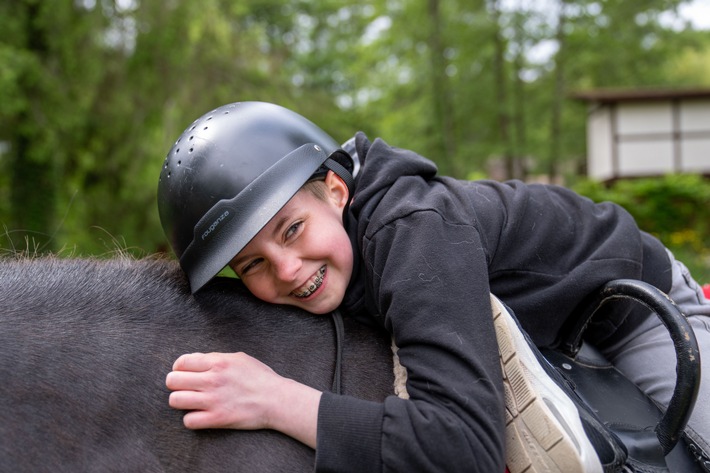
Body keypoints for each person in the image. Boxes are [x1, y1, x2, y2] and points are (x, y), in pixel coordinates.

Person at [158, 101, 710, 472]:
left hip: (631, 307)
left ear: (334, 191)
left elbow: (465, 445)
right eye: (252, 264)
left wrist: (277, 401)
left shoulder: (414, 232)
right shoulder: (327, 251)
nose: (286, 271)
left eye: (293, 229)